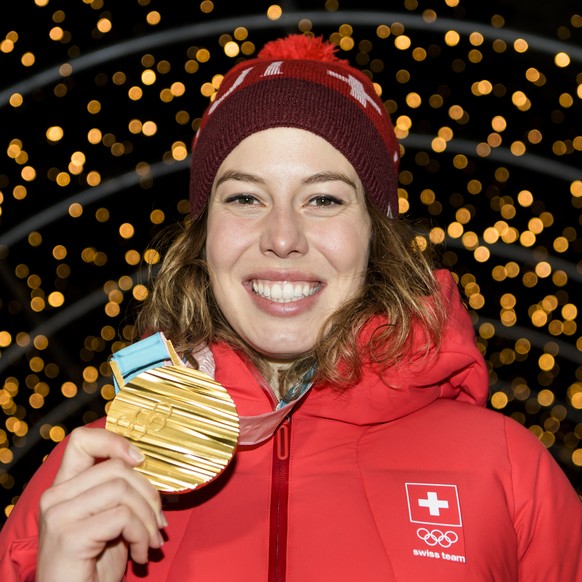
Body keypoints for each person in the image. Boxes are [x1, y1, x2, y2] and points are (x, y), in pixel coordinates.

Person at [0, 34, 580, 582]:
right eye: (245, 197)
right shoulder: (85, 482)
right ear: (202, 235)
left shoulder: (506, 470)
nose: (282, 236)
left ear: (377, 234)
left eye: (323, 198)